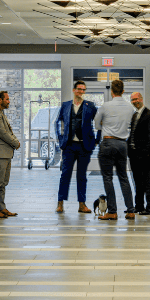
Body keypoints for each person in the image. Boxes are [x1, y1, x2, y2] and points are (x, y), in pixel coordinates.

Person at [94, 79, 136, 220]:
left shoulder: (105, 106)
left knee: (108, 178)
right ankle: (130, 210)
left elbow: (96, 124)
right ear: (123, 91)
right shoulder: (130, 108)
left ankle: (112, 211)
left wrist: (104, 125)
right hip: (122, 144)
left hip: (108, 142)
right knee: (123, 177)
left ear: (111, 91)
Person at [54, 80, 96, 214]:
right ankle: (60, 203)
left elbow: (100, 121)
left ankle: (82, 205)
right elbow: (57, 122)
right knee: (65, 174)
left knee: (82, 175)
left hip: (84, 146)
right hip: (69, 146)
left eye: (83, 90)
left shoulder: (90, 106)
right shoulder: (66, 105)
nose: (81, 92)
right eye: (79, 89)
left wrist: (95, 140)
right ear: (74, 90)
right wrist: (60, 139)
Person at [0, 90, 21, 219]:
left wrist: (15, 141)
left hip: (5, 153)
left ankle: (1, 207)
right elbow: (3, 134)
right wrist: (15, 143)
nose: (9, 101)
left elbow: (8, 131)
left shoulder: (0, 113)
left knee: (3, 182)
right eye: (6, 99)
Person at [127, 91, 150, 215]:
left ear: (141, 99)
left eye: (136, 99)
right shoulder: (135, 115)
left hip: (143, 155)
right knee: (137, 181)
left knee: (146, 182)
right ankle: (139, 206)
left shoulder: (149, 115)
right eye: (132, 100)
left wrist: (146, 153)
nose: (135, 102)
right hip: (133, 155)